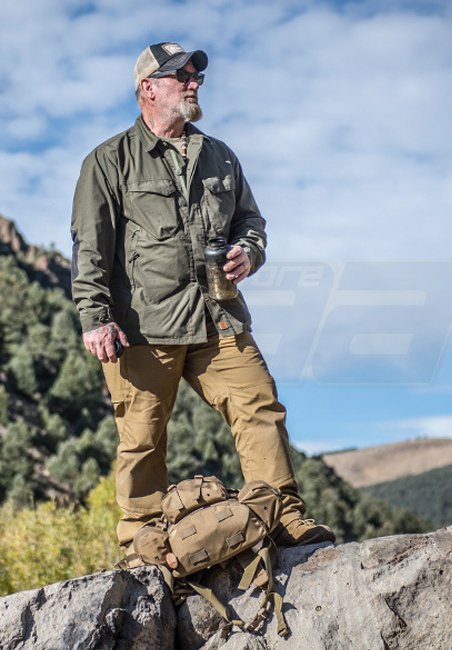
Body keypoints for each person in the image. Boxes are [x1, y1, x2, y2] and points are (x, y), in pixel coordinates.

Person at [70, 42, 335, 562]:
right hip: (144, 326)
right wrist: (95, 317)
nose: (194, 83)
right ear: (148, 88)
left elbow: (250, 222)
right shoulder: (107, 161)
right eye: (181, 76)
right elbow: (90, 247)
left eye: (197, 76)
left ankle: (284, 518)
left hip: (219, 317)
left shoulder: (221, 155)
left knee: (260, 406)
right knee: (142, 437)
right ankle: (142, 544)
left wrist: (248, 253)